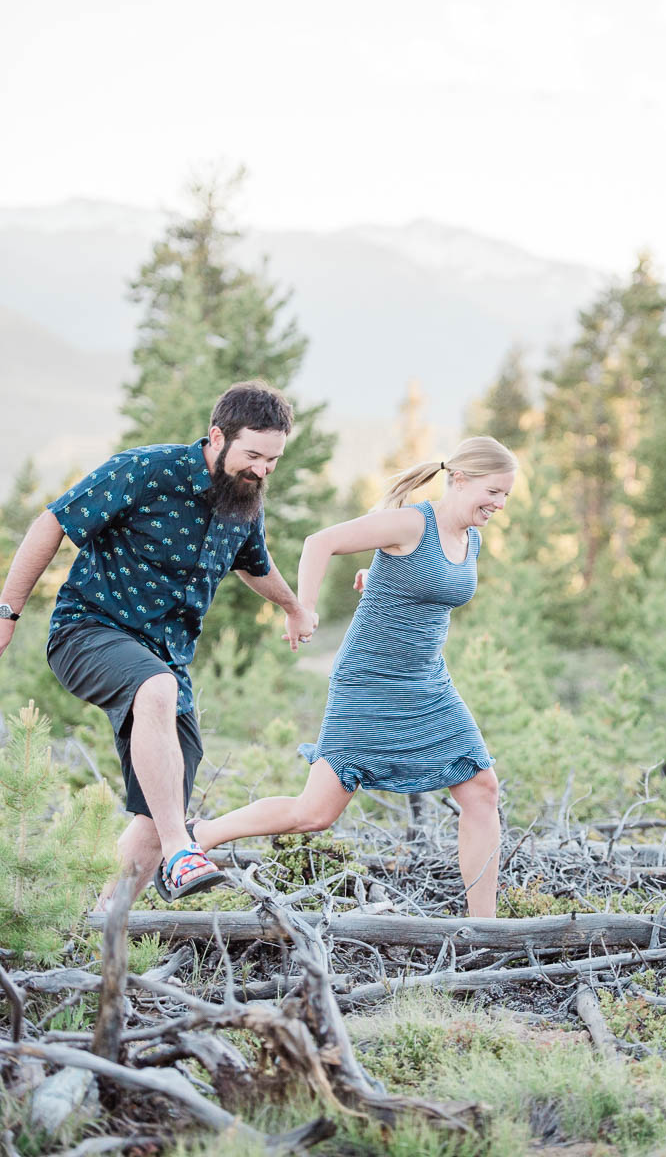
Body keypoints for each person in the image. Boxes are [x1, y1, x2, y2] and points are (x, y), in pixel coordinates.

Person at [0, 381, 317, 904]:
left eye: (274, 460)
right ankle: (182, 851)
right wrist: (8, 611)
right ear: (217, 436)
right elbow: (53, 521)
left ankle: (103, 928)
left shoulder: (244, 500)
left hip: (166, 659)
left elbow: (254, 565)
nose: (263, 469)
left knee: (157, 804)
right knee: (156, 689)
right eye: (254, 455)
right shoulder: (147, 470)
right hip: (89, 629)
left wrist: (292, 607)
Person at [182, 436, 518, 917]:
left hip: (428, 684)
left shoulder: (472, 538)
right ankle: (201, 835)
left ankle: (482, 928)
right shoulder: (412, 522)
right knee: (314, 813)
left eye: (506, 495)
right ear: (460, 479)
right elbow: (321, 542)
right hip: (369, 682)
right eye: (494, 491)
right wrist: (303, 610)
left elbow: (418, 587)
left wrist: (380, 581)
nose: (500, 504)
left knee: (482, 789)